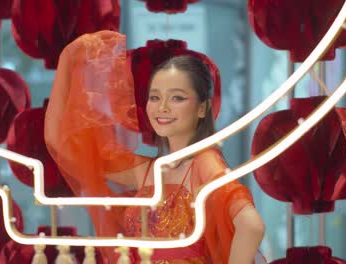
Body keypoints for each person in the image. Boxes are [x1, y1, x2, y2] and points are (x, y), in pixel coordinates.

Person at [45, 30, 265, 263]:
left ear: (202, 108)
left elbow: (251, 226)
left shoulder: (204, 162)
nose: (162, 108)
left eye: (177, 98)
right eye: (155, 97)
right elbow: (66, 148)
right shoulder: (148, 171)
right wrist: (69, 61)